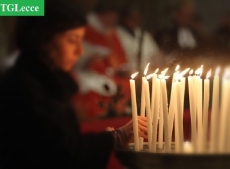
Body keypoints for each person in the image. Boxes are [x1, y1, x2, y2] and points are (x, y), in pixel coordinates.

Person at [0, 1, 147, 169]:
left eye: (80, 41)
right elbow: (58, 154)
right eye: (72, 40)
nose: (80, 51)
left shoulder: (48, 81)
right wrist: (114, 138)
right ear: (43, 40)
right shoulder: (23, 87)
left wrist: (109, 137)